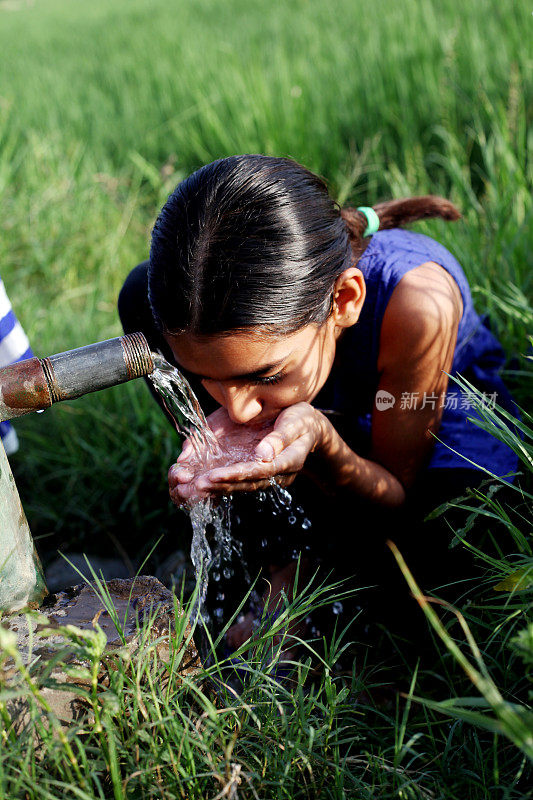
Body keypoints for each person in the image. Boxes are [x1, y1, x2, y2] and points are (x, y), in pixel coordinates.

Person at [118, 154, 519, 649]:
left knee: (457, 541)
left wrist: (324, 447)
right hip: (323, 406)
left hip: (415, 413)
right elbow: (238, 394)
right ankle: (282, 566)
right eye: (208, 381)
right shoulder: (164, 312)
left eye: (264, 374)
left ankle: (321, 588)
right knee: (139, 294)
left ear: (345, 302)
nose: (238, 409)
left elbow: (397, 498)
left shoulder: (418, 302)